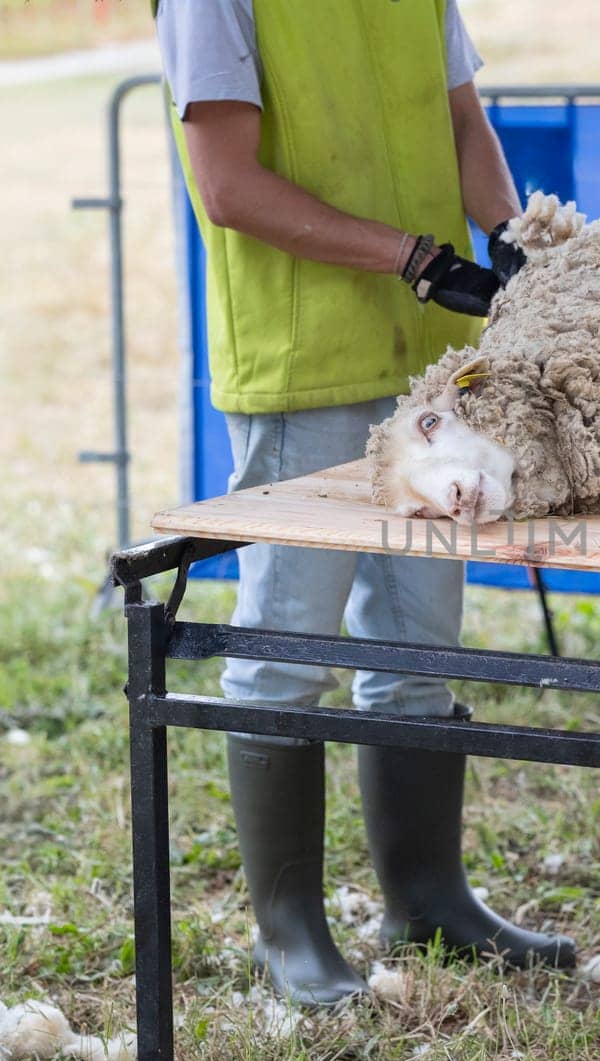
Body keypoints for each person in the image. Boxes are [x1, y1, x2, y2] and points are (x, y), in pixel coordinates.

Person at [152, 0, 574, 1006]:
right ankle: (288, 930)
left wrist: (511, 236)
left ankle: (428, 901)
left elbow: (463, 119)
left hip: (429, 368)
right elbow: (226, 185)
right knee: (288, 646)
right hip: (307, 364)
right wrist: (415, 258)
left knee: (420, 647)